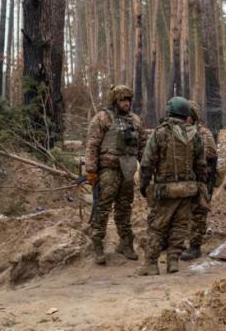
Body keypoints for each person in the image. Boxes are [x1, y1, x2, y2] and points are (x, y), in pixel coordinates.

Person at [137, 97, 207, 275]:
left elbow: (147, 163)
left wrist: (144, 186)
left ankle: (151, 264)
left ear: (169, 111)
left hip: (166, 190)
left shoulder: (160, 133)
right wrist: (200, 186)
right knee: (179, 226)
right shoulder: (195, 135)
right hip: (188, 189)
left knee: (157, 226)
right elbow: (201, 165)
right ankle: (173, 262)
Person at [85, 85, 146, 265]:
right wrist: (91, 170)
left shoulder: (135, 121)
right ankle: (97, 244)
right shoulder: (102, 119)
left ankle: (126, 243)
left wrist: (147, 167)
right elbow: (92, 145)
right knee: (102, 207)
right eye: (122, 100)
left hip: (127, 170)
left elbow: (143, 146)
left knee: (124, 208)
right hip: (108, 170)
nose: (126, 103)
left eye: (128, 100)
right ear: (114, 101)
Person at [180, 101, 218, 260]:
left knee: (198, 213)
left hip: (200, 179)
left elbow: (211, 155)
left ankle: (195, 246)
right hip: (184, 179)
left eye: (187, 117)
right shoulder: (179, 132)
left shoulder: (203, 133)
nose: (185, 119)